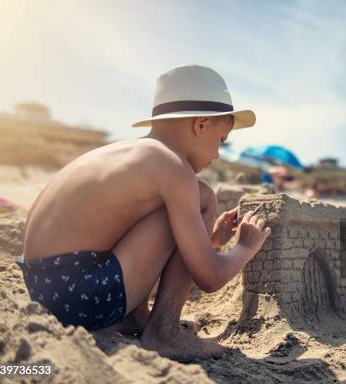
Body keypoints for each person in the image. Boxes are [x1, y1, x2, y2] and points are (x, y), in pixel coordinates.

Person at [17, 65, 271, 361]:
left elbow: (122, 232)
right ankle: (164, 332)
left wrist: (211, 239)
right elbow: (210, 277)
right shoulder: (173, 168)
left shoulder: (135, 155)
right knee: (202, 197)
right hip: (81, 297)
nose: (218, 153)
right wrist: (243, 248)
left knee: (177, 206)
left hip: (48, 291)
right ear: (200, 124)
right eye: (222, 140)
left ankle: (136, 320)